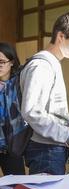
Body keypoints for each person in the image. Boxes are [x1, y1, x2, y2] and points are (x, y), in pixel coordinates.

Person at [20, 11, 69, 175]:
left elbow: (47, 107)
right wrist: (67, 135)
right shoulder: (41, 66)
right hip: (45, 151)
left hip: (49, 149)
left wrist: (68, 119)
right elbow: (31, 111)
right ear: (61, 36)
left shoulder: (51, 63)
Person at [0, 42, 25, 175]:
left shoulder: (20, 83)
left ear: (12, 62)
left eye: (2, 61)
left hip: (13, 145)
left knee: (17, 187)